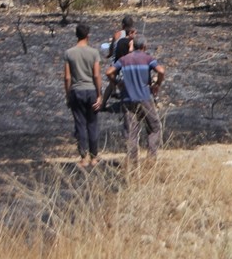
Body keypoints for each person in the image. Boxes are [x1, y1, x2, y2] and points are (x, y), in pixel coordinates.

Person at [105, 36, 165, 160]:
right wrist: (157, 84)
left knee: (131, 131)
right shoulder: (148, 58)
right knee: (154, 127)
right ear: (144, 46)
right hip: (144, 98)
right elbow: (161, 71)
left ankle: (132, 161)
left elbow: (108, 72)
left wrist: (117, 83)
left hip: (127, 99)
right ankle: (151, 157)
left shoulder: (124, 59)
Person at [63, 22, 102, 168]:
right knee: (92, 124)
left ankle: (83, 157)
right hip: (91, 90)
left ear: (76, 35)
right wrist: (99, 94)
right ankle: (94, 157)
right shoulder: (94, 53)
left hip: (76, 91)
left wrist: (68, 95)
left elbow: (67, 77)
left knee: (80, 124)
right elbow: (96, 74)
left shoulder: (69, 53)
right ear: (88, 35)